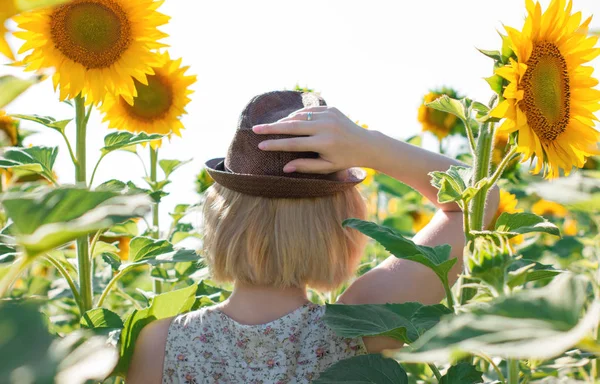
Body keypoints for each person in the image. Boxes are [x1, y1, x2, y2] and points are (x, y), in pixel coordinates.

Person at [127, 91, 499, 384]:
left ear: (219, 218)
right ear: (343, 224)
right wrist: (369, 146)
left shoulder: (161, 345)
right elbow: (479, 199)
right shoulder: (357, 326)